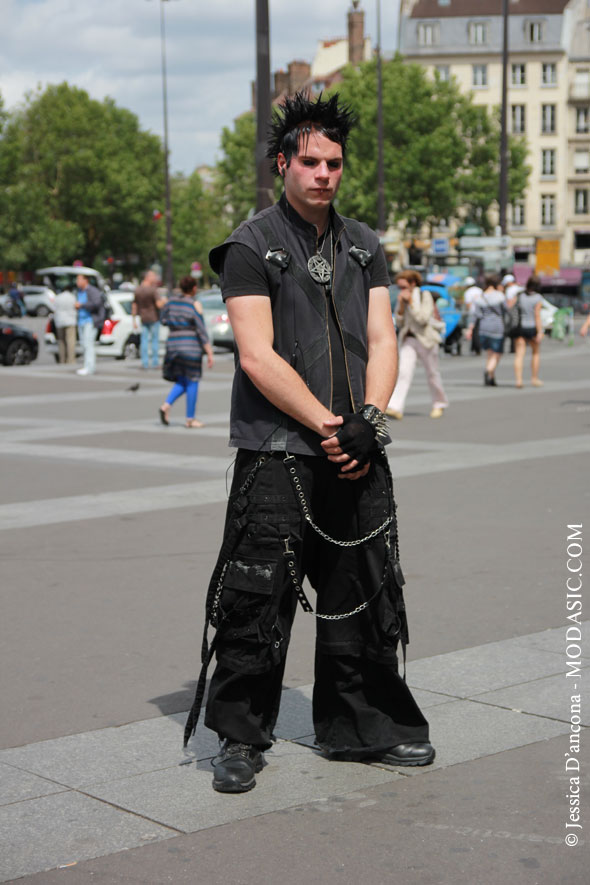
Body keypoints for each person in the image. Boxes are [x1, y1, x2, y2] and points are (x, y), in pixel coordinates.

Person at [183, 92, 434, 794]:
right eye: (311, 161)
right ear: (283, 164)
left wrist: (370, 419)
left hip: (359, 445)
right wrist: (330, 425)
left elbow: (383, 337)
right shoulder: (250, 243)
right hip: (277, 448)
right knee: (256, 593)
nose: (325, 173)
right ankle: (239, 734)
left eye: (336, 163)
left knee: (367, 590)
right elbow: (256, 356)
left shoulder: (364, 244)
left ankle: (363, 725)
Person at [385, 270, 448, 420]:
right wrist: (401, 305)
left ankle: (439, 403)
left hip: (426, 339)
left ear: (413, 284)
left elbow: (422, 319)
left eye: (404, 286)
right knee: (403, 372)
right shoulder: (401, 298)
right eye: (400, 287)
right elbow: (399, 322)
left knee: (432, 373)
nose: (402, 290)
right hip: (409, 339)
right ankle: (395, 406)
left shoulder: (424, 295)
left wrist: (411, 303)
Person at [158, 276, 214, 428]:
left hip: (173, 345)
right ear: (194, 288)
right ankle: (190, 419)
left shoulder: (171, 303)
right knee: (193, 380)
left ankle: (166, 406)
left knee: (183, 379)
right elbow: (201, 329)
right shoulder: (194, 305)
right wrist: (209, 351)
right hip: (190, 346)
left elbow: (162, 320)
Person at [465, 274, 506, 386]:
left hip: (483, 327)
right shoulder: (500, 296)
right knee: (497, 352)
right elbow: (505, 310)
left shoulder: (480, 297)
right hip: (497, 327)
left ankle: (491, 378)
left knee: (489, 353)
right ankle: (489, 370)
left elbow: (476, 315)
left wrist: (470, 328)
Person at [512, 274, 544, 388]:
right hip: (532, 328)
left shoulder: (520, 295)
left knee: (519, 354)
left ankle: (518, 380)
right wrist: (540, 331)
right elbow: (537, 316)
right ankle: (534, 378)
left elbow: (512, 308)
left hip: (520, 327)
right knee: (535, 353)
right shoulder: (538, 298)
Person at [132, 270, 164, 369]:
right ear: (148, 277)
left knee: (144, 341)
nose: (155, 278)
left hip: (143, 318)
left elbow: (134, 305)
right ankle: (155, 362)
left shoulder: (138, 289)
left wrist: (133, 320)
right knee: (154, 341)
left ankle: (145, 362)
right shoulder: (153, 290)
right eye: (153, 276)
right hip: (154, 318)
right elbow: (159, 305)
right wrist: (165, 301)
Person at [75, 274, 104, 376]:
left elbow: (97, 303)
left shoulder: (92, 291)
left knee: (89, 344)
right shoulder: (79, 291)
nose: (77, 282)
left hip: (90, 320)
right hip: (81, 321)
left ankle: (90, 367)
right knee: (84, 344)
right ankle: (86, 365)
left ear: (85, 280)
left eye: (79, 279)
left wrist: (82, 305)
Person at [53, 285, 77, 364]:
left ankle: (62, 359)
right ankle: (71, 360)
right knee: (70, 341)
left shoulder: (58, 297)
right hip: (70, 320)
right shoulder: (72, 297)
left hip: (59, 321)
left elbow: (54, 308)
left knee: (61, 341)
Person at [463, 276, 483, 355]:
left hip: (472, 313)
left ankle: (475, 347)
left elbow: (468, 304)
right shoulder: (480, 290)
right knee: (478, 331)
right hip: (481, 313)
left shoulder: (468, 292)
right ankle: (475, 347)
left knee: (473, 331)